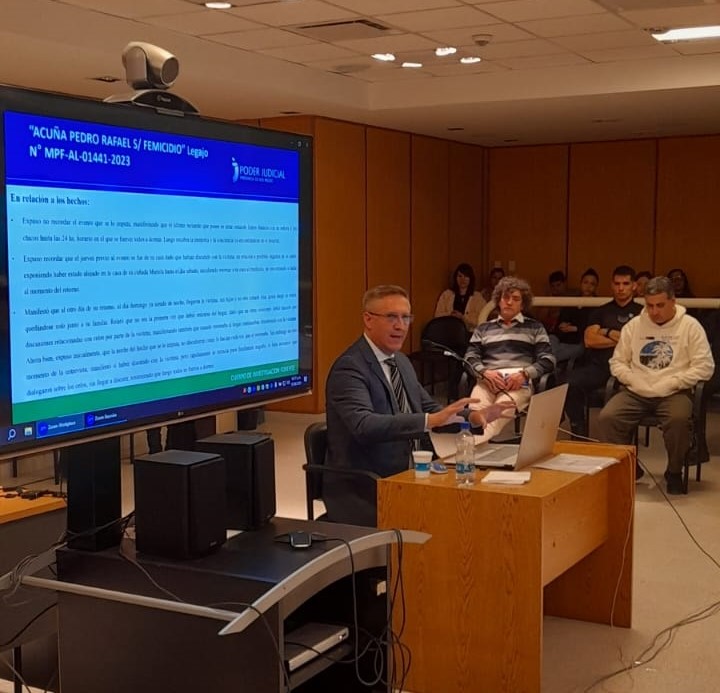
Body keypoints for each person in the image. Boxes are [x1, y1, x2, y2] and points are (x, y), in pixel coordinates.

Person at [325, 285, 514, 526]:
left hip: (416, 471)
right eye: (392, 317)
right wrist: (429, 421)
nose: (400, 326)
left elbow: (434, 411)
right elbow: (364, 425)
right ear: (368, 319)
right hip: (367, 484)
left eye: (406, 317)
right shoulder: (350, 367)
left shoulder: (401, 361)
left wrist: (474, 417)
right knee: (455, 520)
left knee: (482, 507)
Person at [599, 276, 713, 493]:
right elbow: (617, 362)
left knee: (678, 420)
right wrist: (632, 379)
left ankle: (674, 470)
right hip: (636, 391)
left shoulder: (690, 326)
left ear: (673, 301)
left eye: (660, 305)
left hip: (674, 391)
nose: (654, 311)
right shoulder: (634, 326)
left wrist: (675, 382)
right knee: (607, 418)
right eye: (649, 305)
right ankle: (629, 466)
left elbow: (705, 367)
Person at [465, 276, 556, 443]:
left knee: (494, 415)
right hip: (487, 380)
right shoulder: (483, 328)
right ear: (498, 300)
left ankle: (469, 452)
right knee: (475, 415)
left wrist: (525, 374)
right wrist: (484, 373)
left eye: (515, 299)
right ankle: (473, 453)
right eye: (505, 297)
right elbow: (470, 357)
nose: (509, 302)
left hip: (517, 382)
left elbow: (548, 359)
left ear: (522, 304)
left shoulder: (535, 328)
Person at [564, 265, 643, 439]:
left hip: (630, 367)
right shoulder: (600, 311)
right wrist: (617, 335)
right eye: (617, 283)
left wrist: (604, 332)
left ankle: (623, 440)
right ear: (611, 285)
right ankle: (579, 431)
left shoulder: (642, 313)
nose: (621, 288)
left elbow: (637, 343)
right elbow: (589, 340)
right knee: (569, 383)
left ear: (634, 286)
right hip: (599, 366)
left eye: (625, 283)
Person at [549, 268, 599, 366]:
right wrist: (562, 325)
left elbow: (594, 329)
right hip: (561, 339)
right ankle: (550, 362)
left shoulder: (597, 305)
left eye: (592, 284)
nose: (588, 286)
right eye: (585, 282)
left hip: (578, 343)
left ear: (596, 287)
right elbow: (561, 320)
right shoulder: (572, 300)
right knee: (550, 340)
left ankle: (549, 362)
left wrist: (575, 328)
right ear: (581, 283)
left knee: (554, 354)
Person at [434, 262, 486, 333]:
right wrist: (451, 315)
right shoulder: (446, 294)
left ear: (470, 278)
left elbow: (482, 318)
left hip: (470, 333)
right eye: (460, 276)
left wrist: (463, 317)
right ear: (455, 278)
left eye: (466, 276)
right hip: (448, 331)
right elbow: (437, 315)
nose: (462, 279)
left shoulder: (478, 297)